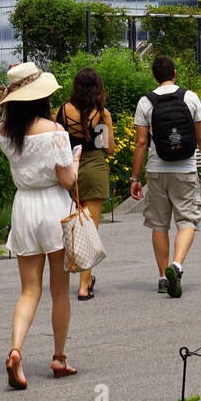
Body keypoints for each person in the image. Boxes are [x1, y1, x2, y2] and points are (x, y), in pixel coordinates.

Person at [0, 63, 81, 388]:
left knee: (29, 289)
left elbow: (6, 124)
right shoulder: (55, 131)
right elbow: (66, 180)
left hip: (24, 207)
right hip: (54, 208)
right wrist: (74, 161)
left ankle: (16, 349)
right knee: (59, 290)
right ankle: (59, 358)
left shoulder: (4, 132)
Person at [130, 55, 201, 297]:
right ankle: (176, 266)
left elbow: (141, 142)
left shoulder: (145, 102)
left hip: (156, 171)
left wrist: (135, 178)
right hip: (185, 169)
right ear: (175, 73)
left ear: (154, 75)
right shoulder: (190, 97)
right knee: (187, 220)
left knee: (159, 224)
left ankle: (162, 278)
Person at [55, 68, 114, 301]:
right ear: (97, 88)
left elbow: (57, 140)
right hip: (95, 169)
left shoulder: (62, 110)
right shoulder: (102, 113)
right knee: (90, 230)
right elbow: (109, 148)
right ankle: (83, 285)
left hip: (70, 171)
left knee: (73, 225)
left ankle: (74, 275)